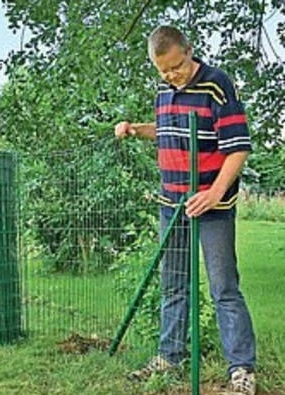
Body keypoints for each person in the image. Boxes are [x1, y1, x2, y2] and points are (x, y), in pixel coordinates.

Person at [114, 26, 256, 395]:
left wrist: (214, 193)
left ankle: (241, 371)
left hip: (213, 207)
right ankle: (169, 358)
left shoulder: (217, 85)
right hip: (171, 205)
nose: (170, 76)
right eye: (162, 71)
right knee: (173, 285)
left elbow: (238, 146)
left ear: (189, 52)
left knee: (224, 288)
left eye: (175, 68)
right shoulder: (165, 89)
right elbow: (168, 130)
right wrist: (135, 129)